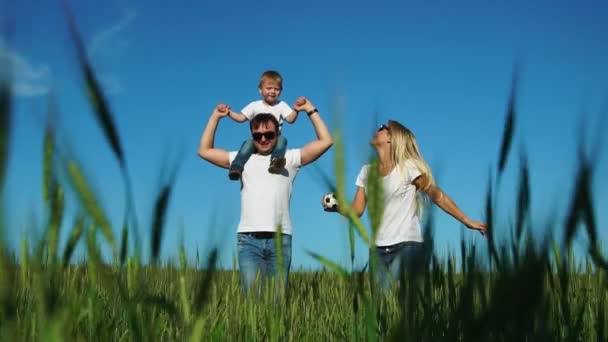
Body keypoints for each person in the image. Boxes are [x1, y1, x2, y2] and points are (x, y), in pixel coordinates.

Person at [324, 120, 486, 288]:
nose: (377, 130)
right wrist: (337, 207)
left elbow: (437, 196)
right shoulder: (366, 172)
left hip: (407, 246)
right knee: (381, 307)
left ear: (392, 139)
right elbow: (357, 210)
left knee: (404, 302)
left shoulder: (408, 168)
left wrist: (466, 221)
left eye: (382, 128)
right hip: (377, 250)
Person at [198, 97, 333, 292]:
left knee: (276, 304)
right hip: (248, 239)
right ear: (252, 136)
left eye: (268, 134)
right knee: (252, 303)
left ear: (278, 133)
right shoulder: (241, 160)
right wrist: (215, 117)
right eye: (257, 135)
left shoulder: (290, 158)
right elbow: (204, 151)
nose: (263, 139)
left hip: (281, 239)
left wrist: (310, 110)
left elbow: (326, 141)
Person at [225, 70, 299, 181]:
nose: (273, 91)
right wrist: (228, 112)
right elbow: (240, 118)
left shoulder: (281, 105)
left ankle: (276, 161)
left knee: (282, 140)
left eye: (276, 89)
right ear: (260, 90)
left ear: (281, 91)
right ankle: (236, 167)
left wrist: (297, 109)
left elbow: (291, 119)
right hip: (258, 141)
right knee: (247, 144)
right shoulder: (254, 105)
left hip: (274, 140)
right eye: (269, 88)